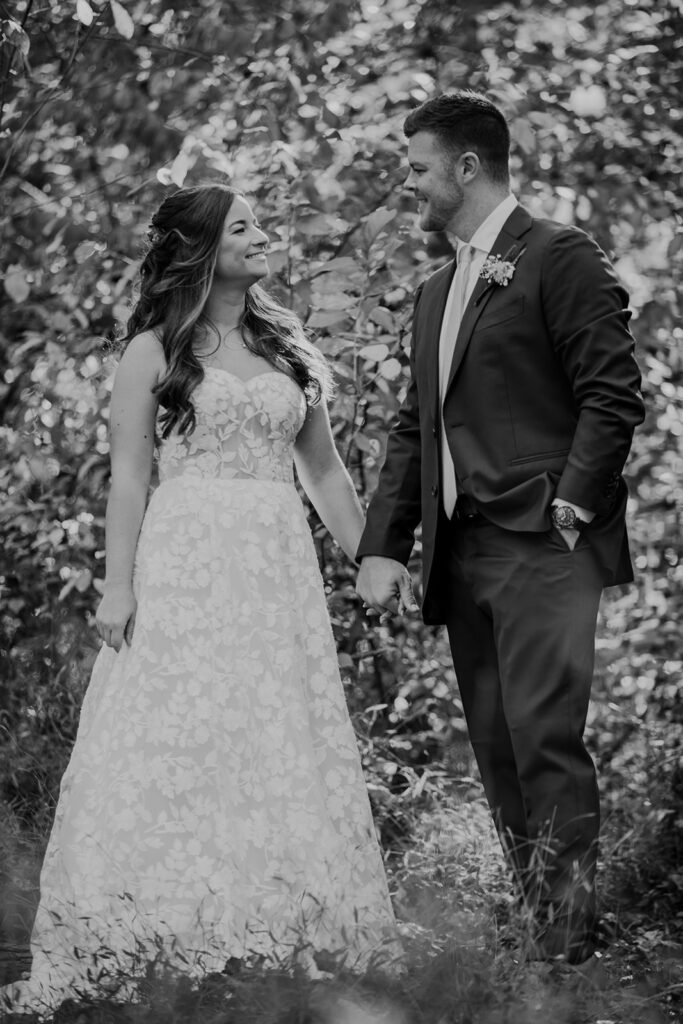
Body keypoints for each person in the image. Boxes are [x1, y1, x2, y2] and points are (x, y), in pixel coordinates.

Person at [5, 183, 397, 1013]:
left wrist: (373, 556)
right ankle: (152, 926)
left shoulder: (287, 347)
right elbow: (129, 480)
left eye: (259, 221)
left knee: (272, 729)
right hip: (185, 561)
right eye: (242, 225)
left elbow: (322, 472)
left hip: (273, 568)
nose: (262, 234)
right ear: (201, 249)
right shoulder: (153, 350)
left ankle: (277, 929)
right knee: (178, 731)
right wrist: (117, 586)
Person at [356, 91, 644, 966]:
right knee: (497, 751)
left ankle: (567, 949)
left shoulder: (560, 256)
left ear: (466, 166)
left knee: (545, 744)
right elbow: (418, 428)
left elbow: (611, 392)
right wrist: (382, 544)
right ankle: (537, 929)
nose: (409, 185)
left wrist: (569, 507)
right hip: (465, 552)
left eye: (417, 168)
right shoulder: (435, 288)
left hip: (545, 546)